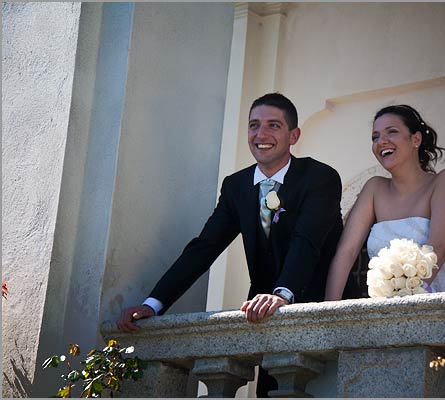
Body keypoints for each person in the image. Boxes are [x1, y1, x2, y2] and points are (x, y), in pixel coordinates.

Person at [117, 93, 343, 396]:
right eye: (254, 125)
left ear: (294, 135)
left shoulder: (320, 177)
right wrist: (152, 304)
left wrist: (282, 294)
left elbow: (307, 242)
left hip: (315, 307)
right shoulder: (236, 186)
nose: (261, 134)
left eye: (273, 125)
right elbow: (203, 248)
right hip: (264, 316)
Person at [325, 104, 445, 301]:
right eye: (375, 137)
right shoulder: (374, 188)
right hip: (386, 314)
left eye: (392, 132)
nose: (381, 141)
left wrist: (404, 299)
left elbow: (440, 247)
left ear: (416, 139)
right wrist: (328, 311)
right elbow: (346, 252)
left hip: (439, 307)